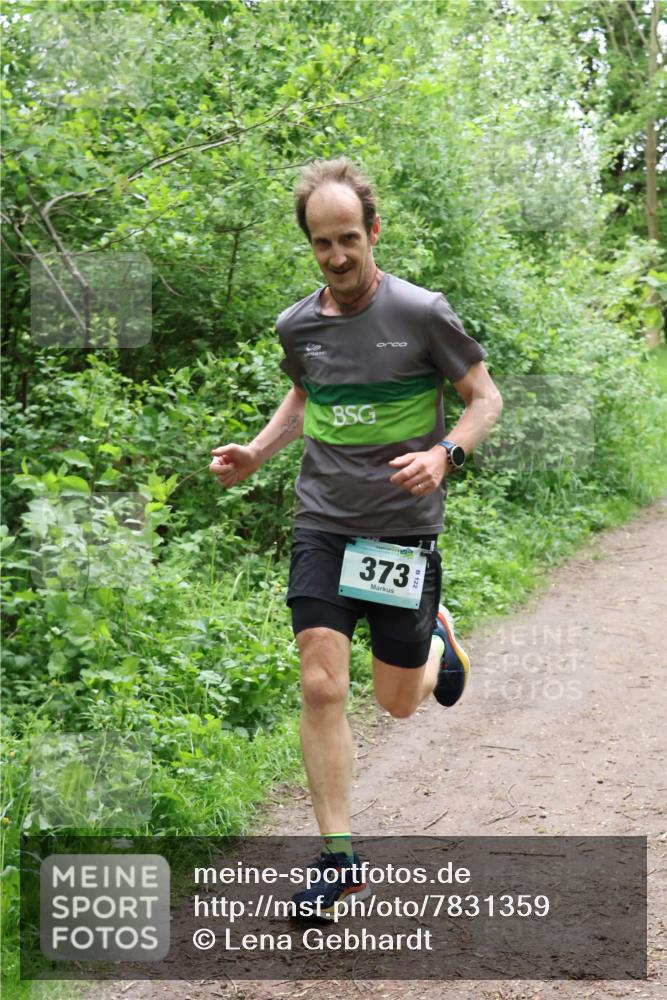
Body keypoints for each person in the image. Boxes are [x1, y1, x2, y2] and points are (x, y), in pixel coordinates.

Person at [209, 158, 502, 920]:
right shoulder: (297, 325)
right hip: (323, 523)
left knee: (398, 703)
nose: (336, 256)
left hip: (399, 535)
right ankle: (338, 860)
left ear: (372, 232)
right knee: (319, 683)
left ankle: (435, 642)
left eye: (347, 238)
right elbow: (306, 392)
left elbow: (483, 396)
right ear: (308, 245)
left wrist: (445, 454)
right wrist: (256, 451)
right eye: (320, 243)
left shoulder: (419, 313)